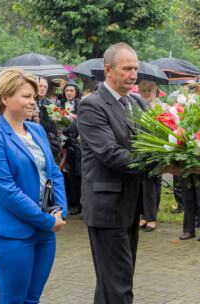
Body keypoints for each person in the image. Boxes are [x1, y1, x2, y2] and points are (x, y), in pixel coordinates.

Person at [0, 68, 67, 303]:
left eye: (34, 96)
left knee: (32, 299)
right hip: (11, 233)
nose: (33, 101)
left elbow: (53, 174)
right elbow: (7, 191)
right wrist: (47, 220)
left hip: (44, 230)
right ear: (5, 98)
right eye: (26, 96)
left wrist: (59, 210)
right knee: (13, 300)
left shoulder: (36, 130)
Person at [78, 42, 150, 304]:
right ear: (107, 69)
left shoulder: (139, 104)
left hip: (131, 206)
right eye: (127, 69)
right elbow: (110, 153)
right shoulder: (92, 106)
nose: (134, 75)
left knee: (113, 283)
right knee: (118, 287)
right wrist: (155, 164)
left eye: (136, 69)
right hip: (107, 209)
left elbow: (155, 142)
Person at [137, 80, 162, 232]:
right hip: (140, 149)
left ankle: (151, 217)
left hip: (156, 149)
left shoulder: (160, 107)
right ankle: (143, 216)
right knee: (141, 183)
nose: (147, 93)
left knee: (153, 183)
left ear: (155, 93)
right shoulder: (136, 106)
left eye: (150, 90)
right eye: (144, 90)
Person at [58, 80, 83, 215]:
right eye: (67, 91)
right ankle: (68, 202)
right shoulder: (58, 105)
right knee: (64, 175)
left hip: (75, 146)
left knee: (76, 175)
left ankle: (77, 204)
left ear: (76, 92)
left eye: (71, 91)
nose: (69, 93)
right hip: (62, 145)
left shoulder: (81, 105)